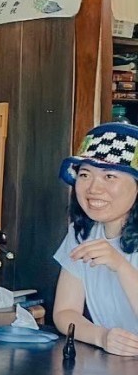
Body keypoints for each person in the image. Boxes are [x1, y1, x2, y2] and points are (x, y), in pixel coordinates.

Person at [53, 121, 138, 356]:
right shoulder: (82, 232)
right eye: (85, 174)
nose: (93, 188)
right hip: (116, 370)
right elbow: (65, 311)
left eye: (109, 176)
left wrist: (120, 266)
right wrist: (102, 336)